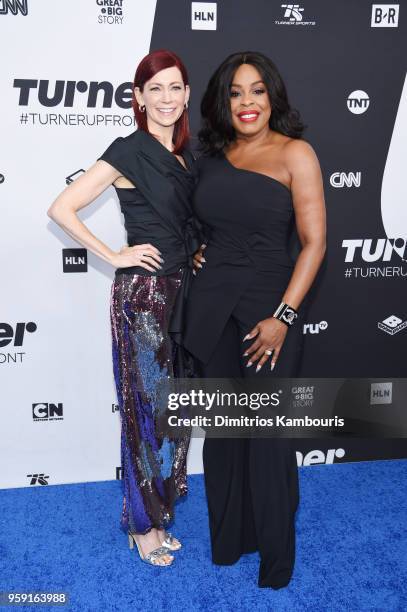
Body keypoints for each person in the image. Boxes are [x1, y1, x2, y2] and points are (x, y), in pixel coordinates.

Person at [47, 49, 200, 567]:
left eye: (174, 87)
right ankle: (143, 526)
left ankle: (158, 511)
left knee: (173, 410)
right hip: (145, 297)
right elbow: (61, 207)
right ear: (138, 97)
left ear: (186, 96)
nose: (166, 98)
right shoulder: (128, 150)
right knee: (144, 412)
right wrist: (114, 254)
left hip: (184, 294)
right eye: (154, 89)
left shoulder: (185, 156)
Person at [183, 51, 326, 588]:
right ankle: (230, 541)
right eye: (237, 92)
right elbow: (200, 220)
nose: (247, 103)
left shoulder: (296, 153)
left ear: (273, 97)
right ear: (223, 101)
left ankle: (275, 559)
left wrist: (283, 317)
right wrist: (197, 248)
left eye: (258, 91)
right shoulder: (211, 157)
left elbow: (314, 245)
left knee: (266, 436)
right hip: (213, 310)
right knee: (224, 435)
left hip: (269, 312)